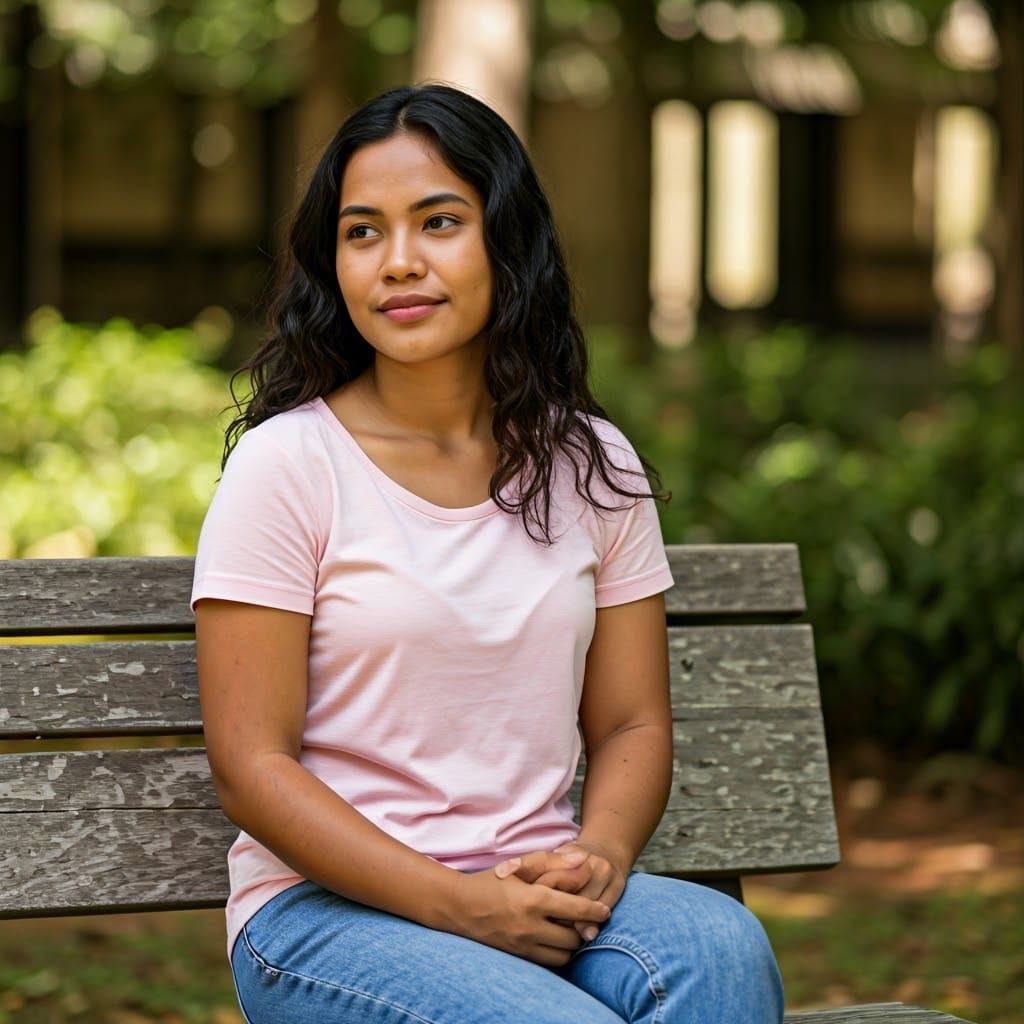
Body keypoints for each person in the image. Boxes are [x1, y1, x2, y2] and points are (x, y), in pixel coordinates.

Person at [191, 81, 784, 1024]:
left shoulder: (591, 465)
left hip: (531, 882)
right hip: (326, 915)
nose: (397, 264)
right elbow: (251, 765)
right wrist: (460, 906)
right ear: (331, 263)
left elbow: (631, 723)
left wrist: (601, 856)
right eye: (362, 232)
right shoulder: (290, 466)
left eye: (438, 222)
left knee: (720, 948)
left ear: (505, 244)